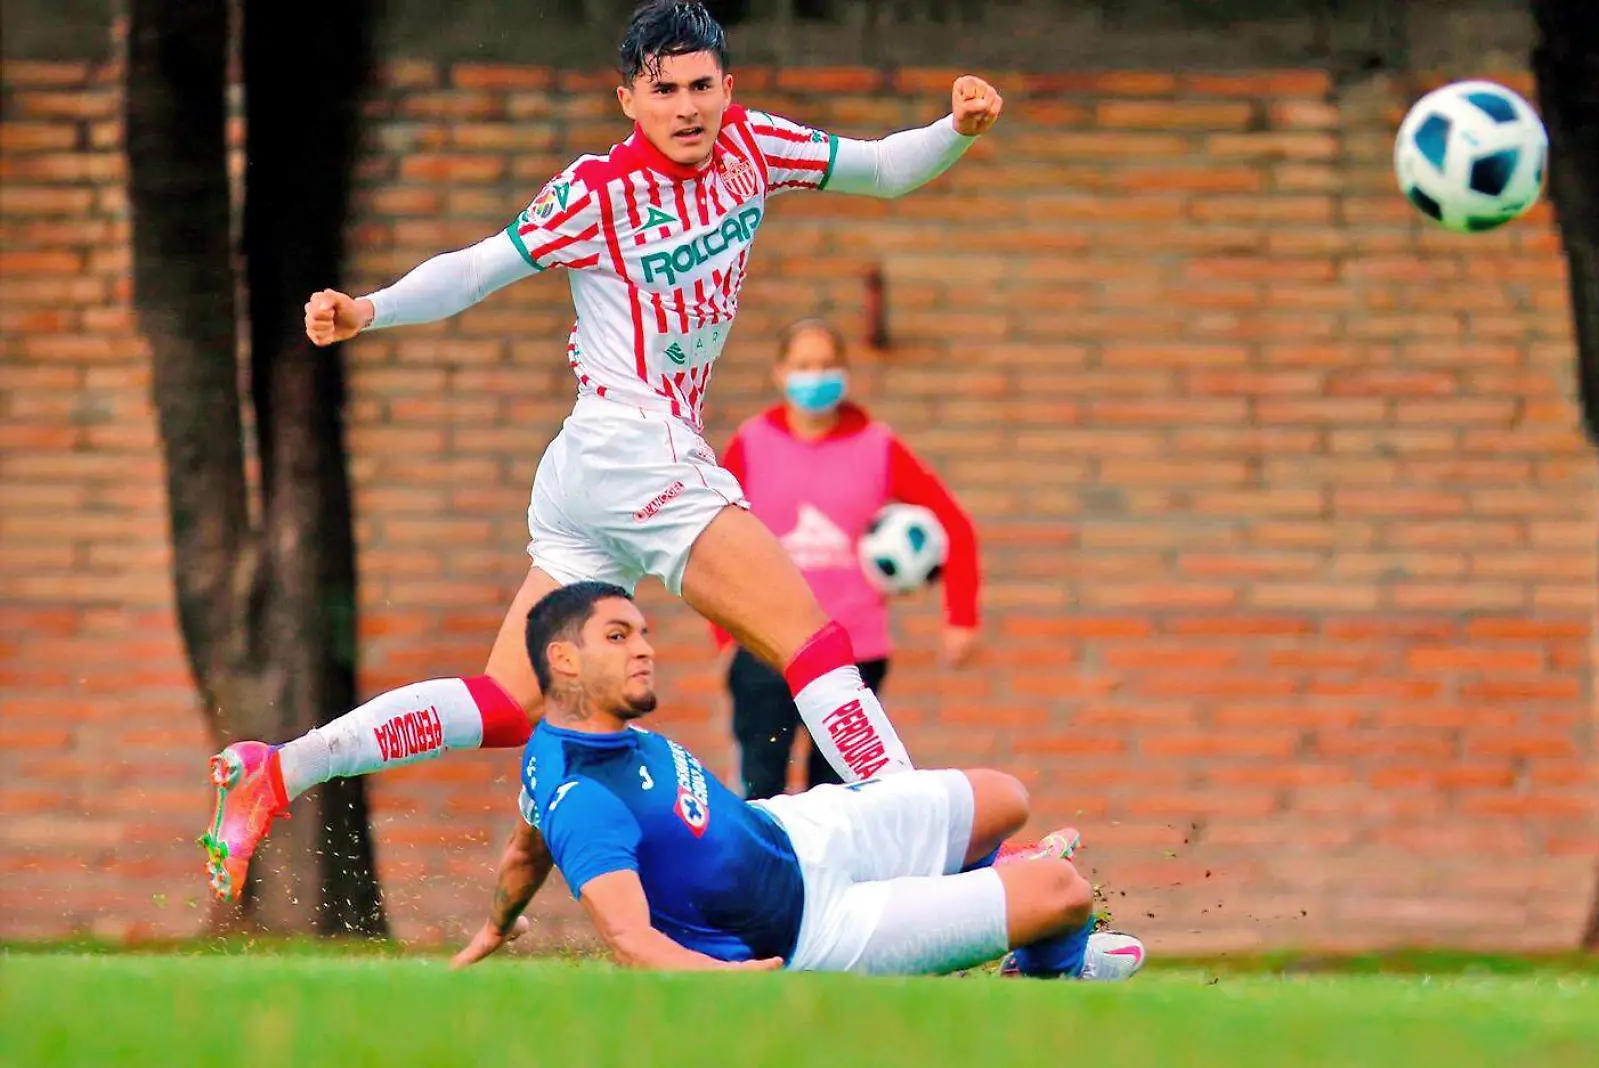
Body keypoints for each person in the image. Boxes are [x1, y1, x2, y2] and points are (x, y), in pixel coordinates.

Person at [197, 0, 1006, 903]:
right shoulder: (596, 191)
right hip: (633, 446)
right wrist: (368, 310)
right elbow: (477, 266)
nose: (688, 107)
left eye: (703, 86)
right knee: (813, 644)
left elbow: (884, 170)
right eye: (665, 91)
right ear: (629, 99)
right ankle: (944, 860)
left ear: (728, 89)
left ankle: (280, 769)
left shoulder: (754, 146)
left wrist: (956, 130)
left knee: (509, 702)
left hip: (595, 472)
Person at [449, 581, 1145, 979]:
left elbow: (524, 848)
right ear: (564, 661)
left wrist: (493, 927)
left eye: (642, 633)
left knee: (1004, 798)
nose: (645, 649)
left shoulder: (556, 750)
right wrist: (724, 980)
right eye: (619, 637)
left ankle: (983, 891)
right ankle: (1055, 966)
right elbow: (631, 942)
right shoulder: (586, 800)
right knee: (1064, 891)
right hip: (815, 929)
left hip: (801, 829)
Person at [717, 318, 980, 799]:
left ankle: (835, 877)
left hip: (853, 650)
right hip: (763, 644)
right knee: (760, 786)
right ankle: (762, 876)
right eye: (803, 366)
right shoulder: (751, 444)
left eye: (826, 365)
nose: (815, 377)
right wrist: (725, 633)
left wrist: (960, 616)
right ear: (779, 373)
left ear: (845, 372)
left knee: (841, 792)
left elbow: (954, 526)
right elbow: (710, 534)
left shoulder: (877, 446)